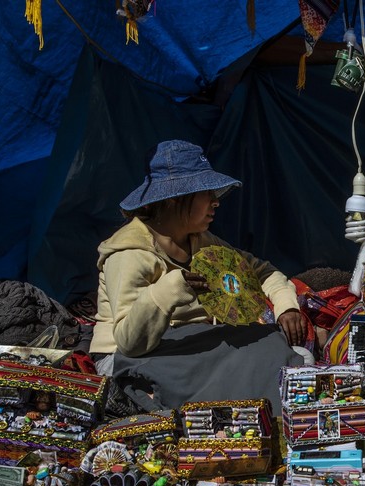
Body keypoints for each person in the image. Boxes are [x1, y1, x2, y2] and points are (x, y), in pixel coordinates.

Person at [90, 140, 306, 413]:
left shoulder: (203, 242)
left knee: (268, 342)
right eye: (206, 193)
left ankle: (269, 412)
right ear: (173, 198)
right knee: (210, 369)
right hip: (129, 356)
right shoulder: (129, 253)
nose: (216, 202)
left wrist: (287, 305)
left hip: (192, 341)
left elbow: (261, 271)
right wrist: (167, 291)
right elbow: (131, 343)